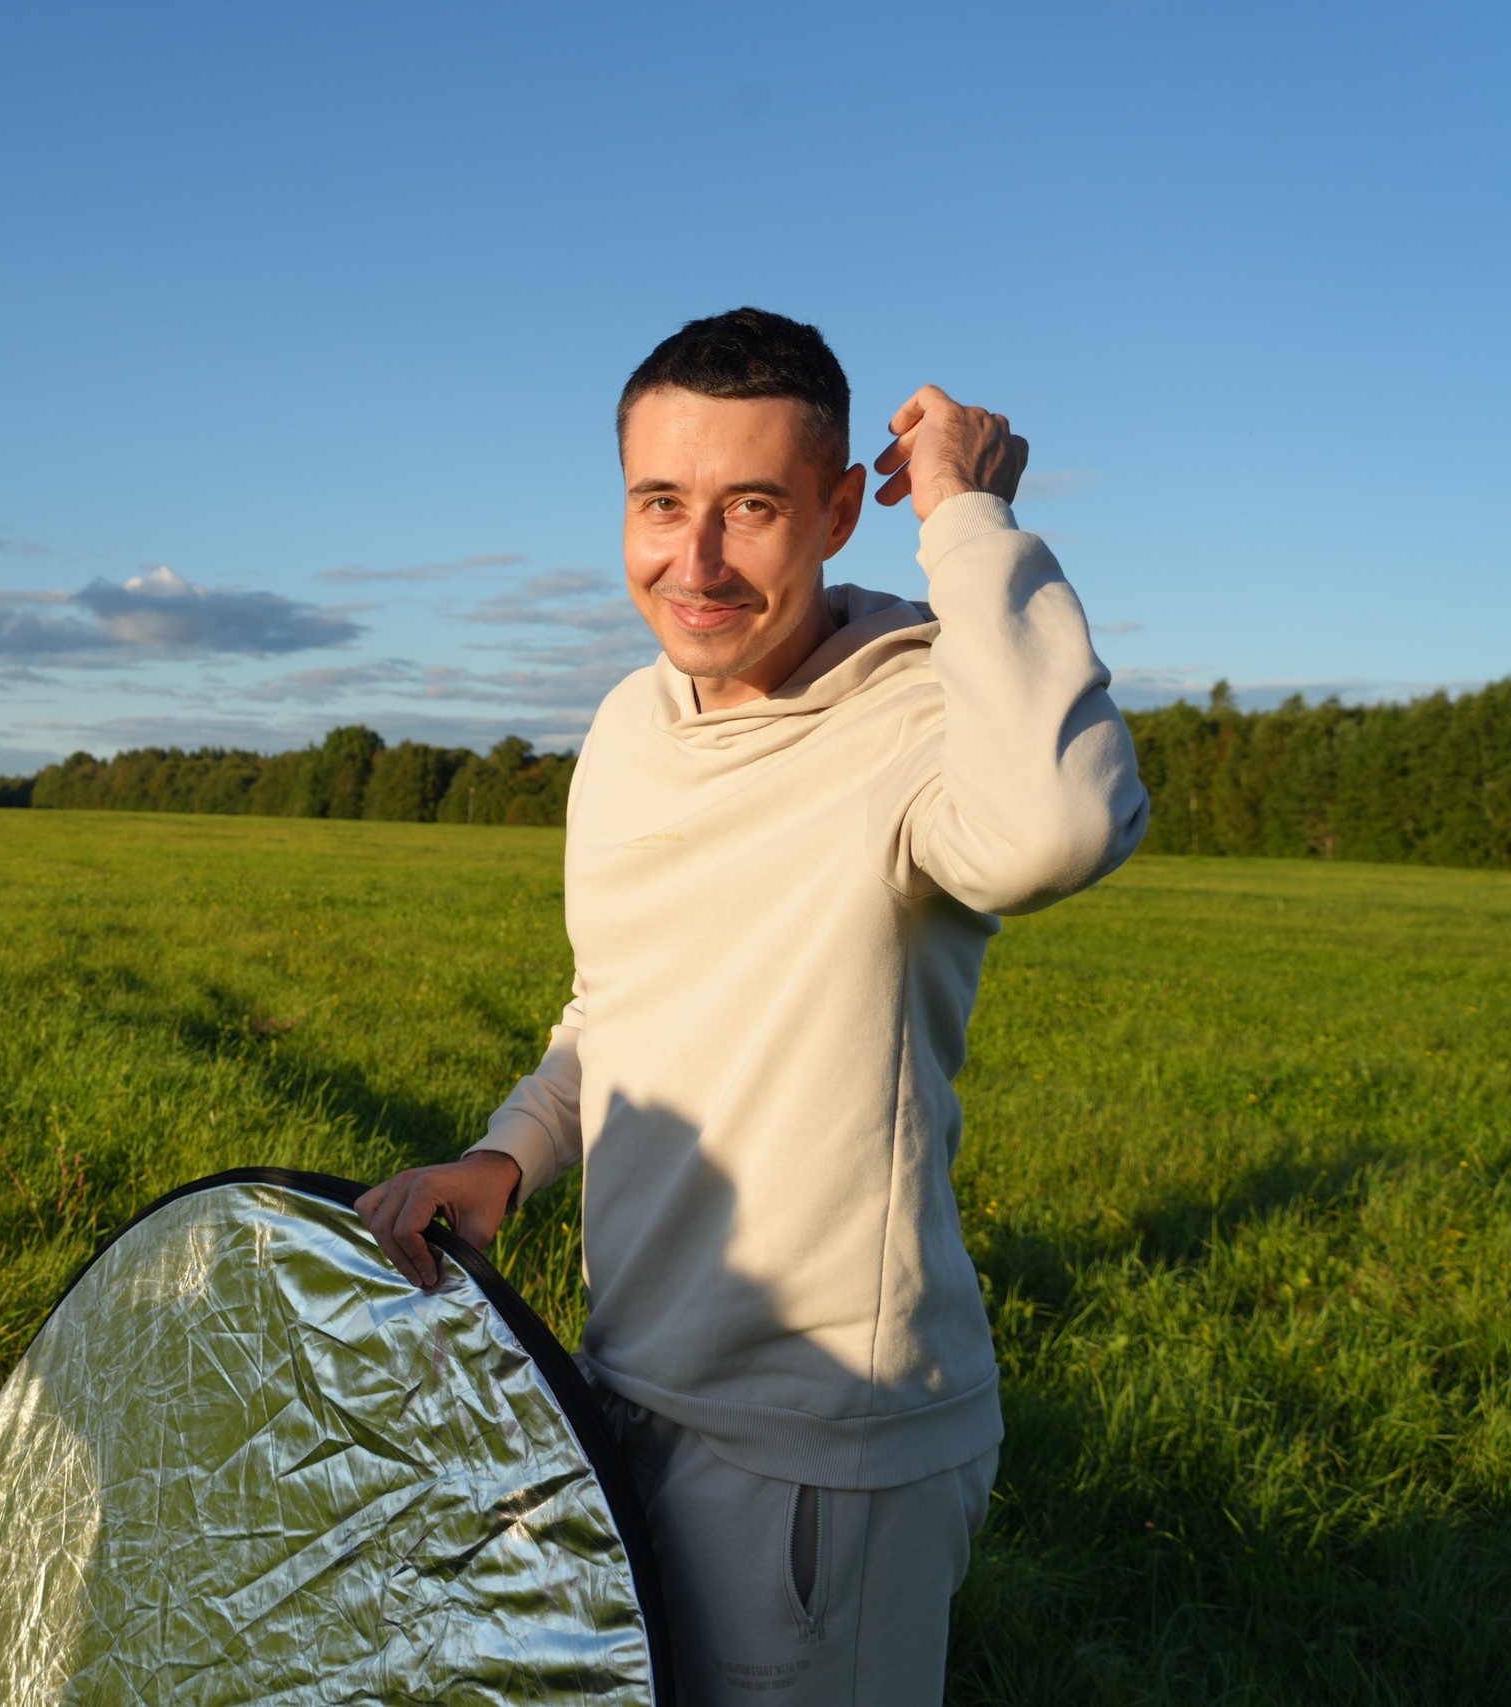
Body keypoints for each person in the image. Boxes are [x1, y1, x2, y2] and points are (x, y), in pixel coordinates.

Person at [356, 308, 1147, 1706]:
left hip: (822, 1455)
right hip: (619, 1396)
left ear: (845, 509)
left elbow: (1062, 823)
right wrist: (510, 1155)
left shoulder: (918, 720)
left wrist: (964, 510)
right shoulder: (624, 726)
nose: (696, 559)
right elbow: (619, 1002)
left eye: (755, 507)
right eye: (661, 503)